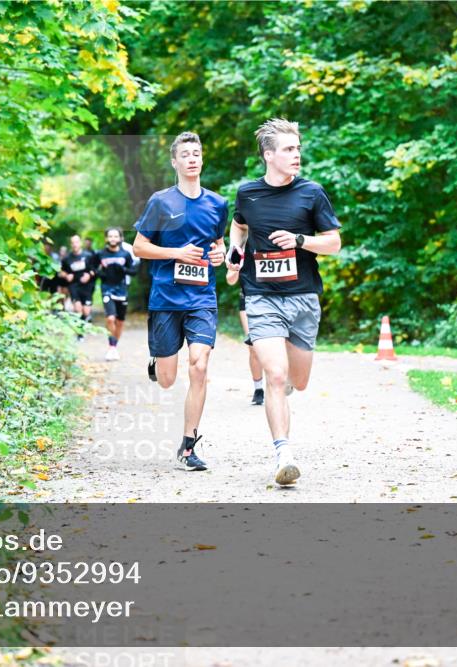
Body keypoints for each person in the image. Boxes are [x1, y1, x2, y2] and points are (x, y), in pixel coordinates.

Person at [226, 118, 342, 486]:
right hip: (260, 296)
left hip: (304, 298)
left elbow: (334, 243)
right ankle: (283, 454)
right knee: (274, 376)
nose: (297, 155)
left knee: (298, 381)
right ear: (268, 155)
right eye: (290, 149)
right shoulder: (248, 193)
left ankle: (285, 392)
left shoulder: (312, 193)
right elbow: (239, 225)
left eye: (298, 149)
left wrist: (300, 241)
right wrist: (235, 249)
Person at [132, 131, 227, 472]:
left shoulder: (217, 204)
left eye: (196, 153)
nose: (191, 158)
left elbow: (218, 245)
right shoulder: (161, 202)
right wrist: (175, 253)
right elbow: (139, 247)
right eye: (185, 154)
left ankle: (189, 446)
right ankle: (158, 362)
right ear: (174, 161)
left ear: (202, 159)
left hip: (201, 296)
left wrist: (219, 255)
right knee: (169, 378)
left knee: (200, 365)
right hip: (166, 297)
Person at [226, 240, 265, 405]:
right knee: (253, 346)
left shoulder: (273, 238)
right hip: (248, 298)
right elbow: (230, 279)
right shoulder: (239, 246)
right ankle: (258, 388)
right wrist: (235, 269)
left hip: (274, 297)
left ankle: (279, 380)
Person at [96, 227, 138, 360]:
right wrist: (101, 273)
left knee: (120, 322)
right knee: (110, 318)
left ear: (120, 238)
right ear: (106, 238)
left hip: (121, 289)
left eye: (115, 236)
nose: (113, 239)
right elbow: (92, 267)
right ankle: (111, 347)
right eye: (110, 236)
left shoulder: (125, 254)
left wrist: (123, 269)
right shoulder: (100, 254)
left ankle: (114, 346)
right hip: (107, 288)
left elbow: (133, 271)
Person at [59, 235, 97, 337]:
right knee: (78, 309)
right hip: (74, 286)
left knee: (86, 311)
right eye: (72, 242)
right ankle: (80, 334)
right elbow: (60, 271)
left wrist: (89, 275)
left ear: (80, 243)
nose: (75, 244)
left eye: (76, 242)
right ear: (70, 244)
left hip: (87, 286)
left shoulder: (88, 256)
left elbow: (95, 270)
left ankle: (85, 322)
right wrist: (67, 275)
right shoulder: (67, 258)